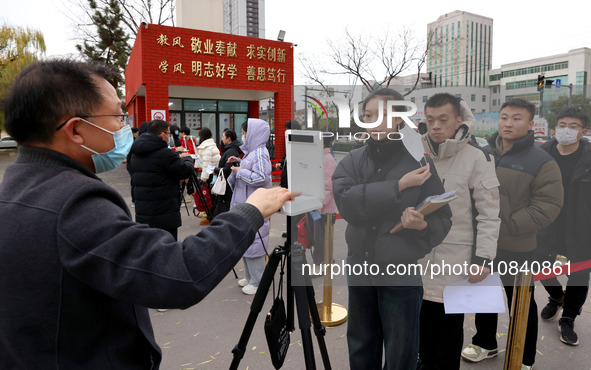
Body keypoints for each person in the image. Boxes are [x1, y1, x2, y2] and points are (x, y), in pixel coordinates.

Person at [0, 59, 292, 368]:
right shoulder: (74, 204)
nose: (125, 127)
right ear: (76, 130)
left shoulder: (17, 190)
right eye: (117, 115)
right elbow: (180, 273)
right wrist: (251, 211)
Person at [332, 88, 452, 370]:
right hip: (360, 264)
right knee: (361, 341)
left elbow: (443, 216)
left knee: (401, 347)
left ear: (399, 118)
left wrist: (422, 225)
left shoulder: (420, 164)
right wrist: (398, 187)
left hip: (400, 268)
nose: (374, 122)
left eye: (383, 115)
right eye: (369, 115)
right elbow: (347, 204)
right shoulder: (352, 159)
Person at [461, 99, 563, 370]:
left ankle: (523, 355)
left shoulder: (541, 161)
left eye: (517, 118)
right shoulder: (482, 152)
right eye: (504, 117)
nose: (508, 122)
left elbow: (547, 206)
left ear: (531, 124)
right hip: (482, 244)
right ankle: (485, 343)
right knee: (483, 295)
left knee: (520, 303)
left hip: (517, 245)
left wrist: (507, 225)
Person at [417, 93, 501, 370]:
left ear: (459, 120)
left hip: (455, 261)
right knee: (420, 330)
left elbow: (489, 214)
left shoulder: (477, 157)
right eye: (430, 120)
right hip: (416, 257)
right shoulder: (415, 152)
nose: (436, 126)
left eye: (443, 119)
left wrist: (483, 259)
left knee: (448, 331)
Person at [537, 107, 591, 346]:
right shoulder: (540, 154)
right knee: (538, 266)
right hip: (547, 223)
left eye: (573, 126)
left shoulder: (589, 158)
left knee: (579, 275)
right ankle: (557, 297)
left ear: (583, 131)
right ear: (555, 127)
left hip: (581, 224)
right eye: (562, 124)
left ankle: (568, 318)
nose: (566, 130)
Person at [228, 118, 272, 295]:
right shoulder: (253, 152)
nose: (243, 135)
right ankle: (250, 276)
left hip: (254, 207)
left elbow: (261, 177)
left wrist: (240, 171)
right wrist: (239, 162)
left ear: (253, 133)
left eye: (245, 132)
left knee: (255, 243)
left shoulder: (260, 152)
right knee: (246, 241)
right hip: (246, 206)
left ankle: (258, 281)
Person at [129, 119, 194, 240]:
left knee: (149, 248)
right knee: (167, 249)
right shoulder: (164, 154)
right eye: (168, 134)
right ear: (161, 134)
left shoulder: (136, 152)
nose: (169, 137)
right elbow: (184, 170)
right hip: (164, 212)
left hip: (143, 211)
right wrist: (187, 159)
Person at [311, 133, 338, 266]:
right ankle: (325, 261)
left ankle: (322, 263)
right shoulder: (322, 157)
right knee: (320, 237)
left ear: (323, 143)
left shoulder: (327, 160)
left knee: (321, 238)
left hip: (323, 208)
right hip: (320, 206)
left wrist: (319, 205)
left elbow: (328, 187)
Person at [212, 129, 242, 218]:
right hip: (228, 184)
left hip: (228, 184)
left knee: (225, 209)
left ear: (228, 139)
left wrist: (215, 170)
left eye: (223, 137)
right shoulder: (230, 150)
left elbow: (227, 169)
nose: (222, 139)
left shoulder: (231, 151)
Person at [195, 127, 221, 225]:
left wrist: (203, 178)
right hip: (213, 174)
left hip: (209, 175)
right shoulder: (211, 145)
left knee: (208, 196)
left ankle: (210, 217)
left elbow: (206, 164)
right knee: (212, 196)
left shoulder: (206, 148)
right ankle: (212, 215)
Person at [126, 126, 140, 207]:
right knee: (134, 183)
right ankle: (134, 200)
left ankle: (135, 200)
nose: (137, 135)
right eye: (136, 133)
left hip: (132, 164)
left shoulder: (134, 140)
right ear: (133, 133)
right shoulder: (130, 141)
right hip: (131, 165)